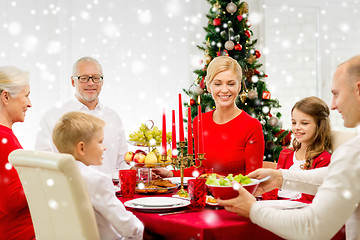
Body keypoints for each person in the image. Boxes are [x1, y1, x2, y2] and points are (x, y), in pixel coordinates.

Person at [218, 55, 360, 239]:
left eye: (336, 94)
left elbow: (312, 228)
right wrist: (280, 177)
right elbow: (336, 174)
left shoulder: (353, 152)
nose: (332, 105)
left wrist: (253, 209)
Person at [155, 56, 264, 178]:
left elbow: (254, 180)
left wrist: (223, 181)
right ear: (208, 87)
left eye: (231, 83)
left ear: (239, 87)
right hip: (204, 196)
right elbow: (200, 169)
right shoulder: (199, 122)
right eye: (217, 83)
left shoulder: (252, 126)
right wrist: (171, 174)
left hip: (237, 196)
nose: (224, 90)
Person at [52, 111, 144, 240]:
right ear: (81, 148)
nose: (104, 147)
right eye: (100, 142)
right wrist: (140, 227)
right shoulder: (96, 180)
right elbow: (129, 228)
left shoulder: (54, 175)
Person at [35, 56, 129, 175]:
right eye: (84, 78)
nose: (91, 83)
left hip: (109, 192)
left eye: (96, 78)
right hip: (69, 192)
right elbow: (42, 164)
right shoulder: (53, 116)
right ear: (73, 81)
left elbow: (122, 163)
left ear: (102, 81)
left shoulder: (113, 118)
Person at [275, 96, 332, 203]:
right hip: (273, 210)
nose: (297, 127)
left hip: (296, 214)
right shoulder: (285, 154)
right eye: (294, 122)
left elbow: (309, 200)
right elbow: (273, 188)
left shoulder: (323, 159)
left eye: (304, 123)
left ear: (319, 126)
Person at [0, 66, 35, 239]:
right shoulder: (4, 140)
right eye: (26, 95)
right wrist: (43, 177)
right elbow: (12, 201)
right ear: (6, 97)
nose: (30, 103)